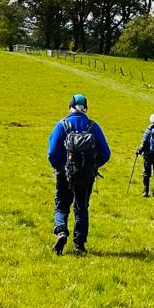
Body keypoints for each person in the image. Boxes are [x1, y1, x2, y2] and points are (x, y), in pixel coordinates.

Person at [46, 93, 111, 255]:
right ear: (86, 108)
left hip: (64, 173)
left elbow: (52, 152)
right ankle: (79, 244)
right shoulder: (93, 126)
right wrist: (93, 166)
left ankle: (61, 231)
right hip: (86, 176)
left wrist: (58, 167)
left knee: (61, 205)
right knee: (81, 208)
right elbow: (106, 153)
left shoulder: (62, 125)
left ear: (70, 107)